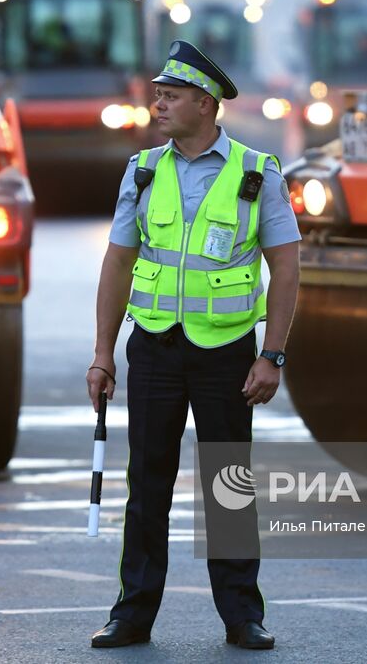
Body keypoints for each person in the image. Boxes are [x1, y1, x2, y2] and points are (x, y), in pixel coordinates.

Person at [87, 40, 301, 651]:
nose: (158, 104)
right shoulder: (143, 170)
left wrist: (273, 354)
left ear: (206, 105)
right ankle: (132, 614)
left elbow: (286, 268)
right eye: (158, 93)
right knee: (146, 484)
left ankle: (242, 615)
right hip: (153, 348)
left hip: (228, 353)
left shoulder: (257, 173)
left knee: (228, 485)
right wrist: (103, 352)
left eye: (171, 96)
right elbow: (119, 261)